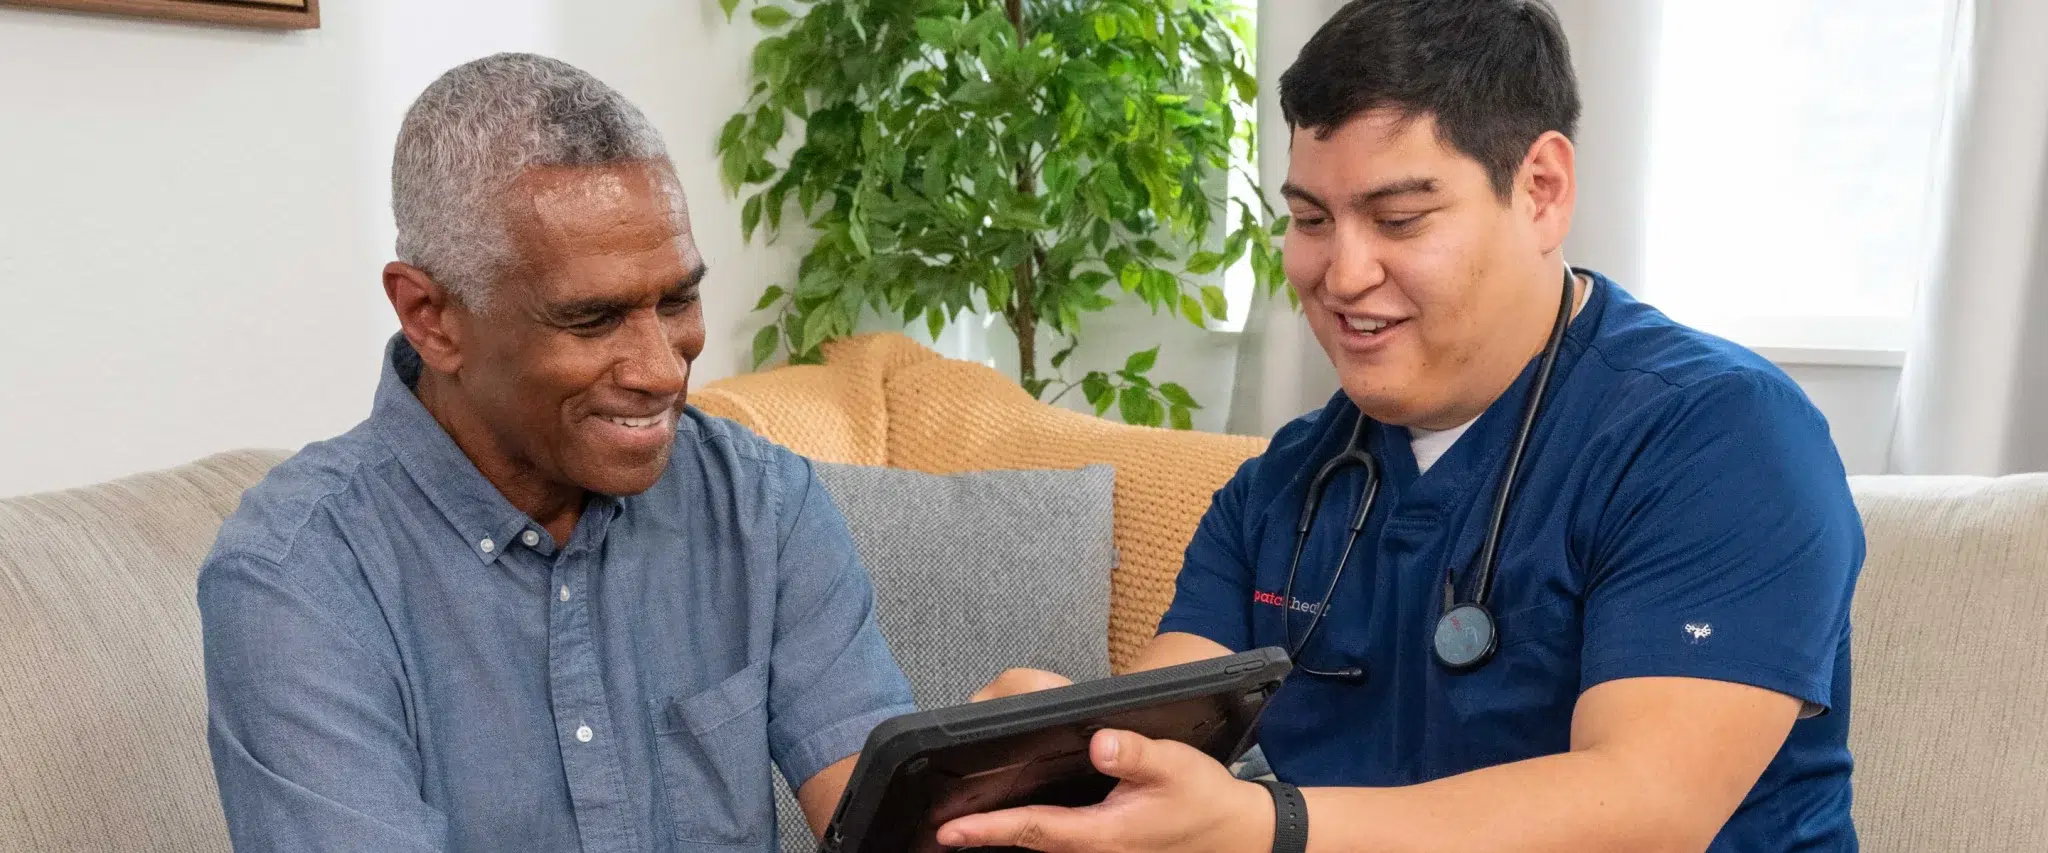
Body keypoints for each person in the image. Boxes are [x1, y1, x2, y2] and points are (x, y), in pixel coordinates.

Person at [948, 1, 1863, 850]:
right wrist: (1078, 749)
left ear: (1541, 191)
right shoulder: (1286, 483)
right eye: (1310, 219)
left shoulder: (1721, 438)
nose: (1343, 274)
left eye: (1399, 218)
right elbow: (1170, 728)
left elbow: (1644, 809)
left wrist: (1269, 824)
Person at [197, 53, 914, 852]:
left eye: (678, 299)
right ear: (431, 317)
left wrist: (984, 792)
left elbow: (878, 814)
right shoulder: (297, 577)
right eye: (593, 319)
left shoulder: (761, 504)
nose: (661, 371)